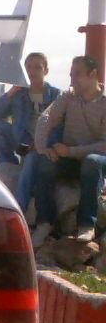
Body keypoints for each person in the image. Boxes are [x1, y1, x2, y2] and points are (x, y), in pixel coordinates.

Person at [31, 55, 106, 247]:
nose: (72, 80)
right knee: (45, 162)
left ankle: (86, 224)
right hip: (69, 159)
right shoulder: (68, 96)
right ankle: (44, 222)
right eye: (71, 75)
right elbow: (46, 118)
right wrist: (43, 148)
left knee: (92, 161)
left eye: (77, 74)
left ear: (93, 74)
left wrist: (71, 151)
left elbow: (104, 145)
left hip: (97, 161)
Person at [0, 52, 62, 210]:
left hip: (41, 146)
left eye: (37, 67)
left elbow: (60, 126)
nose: (32, 71)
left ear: (46, 71)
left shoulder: (56, 95)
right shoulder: (19, 94)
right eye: (28, 67)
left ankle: (20, 207)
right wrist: (11, 93)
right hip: (22, 142)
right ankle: (9, 166)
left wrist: (43, 145)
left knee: (30, 162)